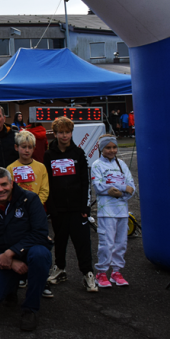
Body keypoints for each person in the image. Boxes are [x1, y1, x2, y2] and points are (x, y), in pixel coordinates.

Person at [0, 167, 52, 332]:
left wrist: (12, 252)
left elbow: (41, 233)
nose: (0, 189)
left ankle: (30, 308)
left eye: (4, 184)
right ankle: (11, 287)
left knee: (40, 254)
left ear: (12, 183)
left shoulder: (29, 199)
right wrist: (9, 261)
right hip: (4, 258)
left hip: (29, 252)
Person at [44, 117, 98, 292]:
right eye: (61, 132)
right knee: (59, 242)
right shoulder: (48, 155)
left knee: (82, 242)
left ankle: (88, 273)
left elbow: (85, 182)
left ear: (71, 133)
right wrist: (51, 208)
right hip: (58, 209)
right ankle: (59, 268)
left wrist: (85, 207)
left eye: (67, 132)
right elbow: (47, 183)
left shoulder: (78, 153)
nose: (64, 135)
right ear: (55, 133)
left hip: (77, 209)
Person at [6, 130, 51, 297]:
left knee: (39, 244)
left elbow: (45, 189)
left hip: (37, 212)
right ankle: (21, 275)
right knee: (19, 243)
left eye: (30, 147)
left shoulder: (40, 167)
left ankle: (41, 278)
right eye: (23, 147)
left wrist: (36, 206)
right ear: (16, 147)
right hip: (17, 214)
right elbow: (7, 191)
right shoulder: (10, 168)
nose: (27, 150)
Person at [91, 135, 136, 288]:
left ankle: (116, 272)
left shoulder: (122, 164)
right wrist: (122, 189)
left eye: (114, 147)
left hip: (122, 211)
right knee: (106, 243)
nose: (111, 150)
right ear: (101, 148)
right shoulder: (97, 165)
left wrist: (121, 191)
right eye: (108, 147)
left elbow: (131, 186)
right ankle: (101, 273)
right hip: (106, 211)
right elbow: (98, 186)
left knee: (121, 243)